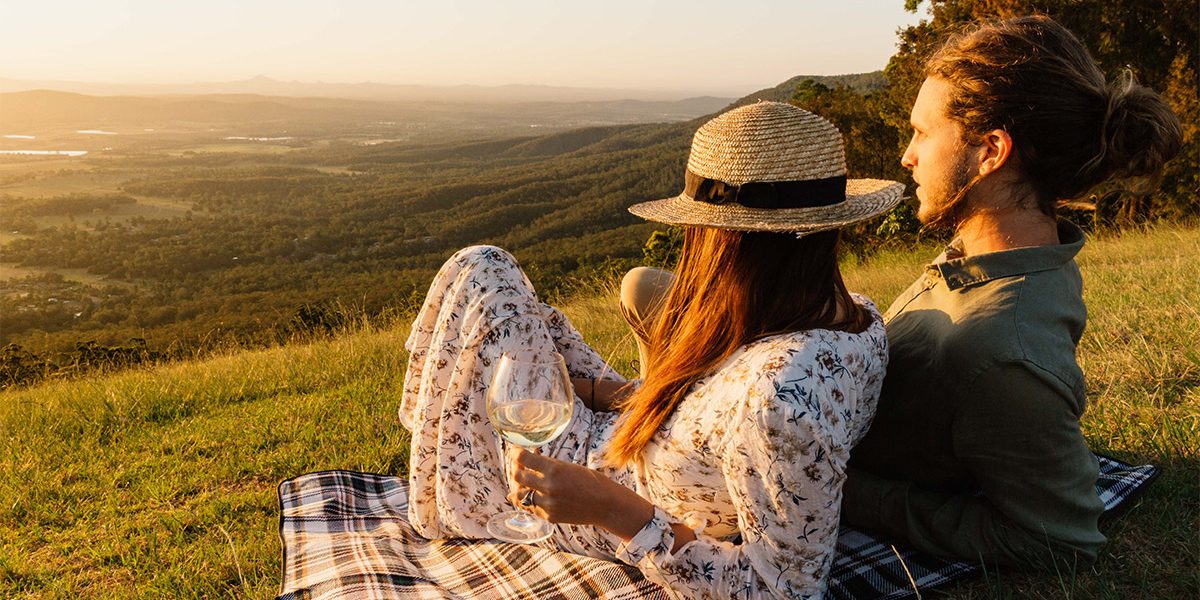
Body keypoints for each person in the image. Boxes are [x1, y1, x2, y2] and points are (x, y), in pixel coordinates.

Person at [399, 101, 903, 598]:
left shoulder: (780, 401)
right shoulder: (853, 315)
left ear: (724, 239)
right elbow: (714, 413)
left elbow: (781, 591)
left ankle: (444, 465)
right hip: (624, 431)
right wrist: (605, 393)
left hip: (585, 492)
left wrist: (608, 507)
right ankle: (448, 434)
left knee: (482, 272)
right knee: (500, 290)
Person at [837, 15, 1183, 571]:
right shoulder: (995, 256)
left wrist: (846, 493)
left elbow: (1064, 539)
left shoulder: (1001, 353)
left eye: (923, 133)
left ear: (991, 151)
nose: (907, 154)